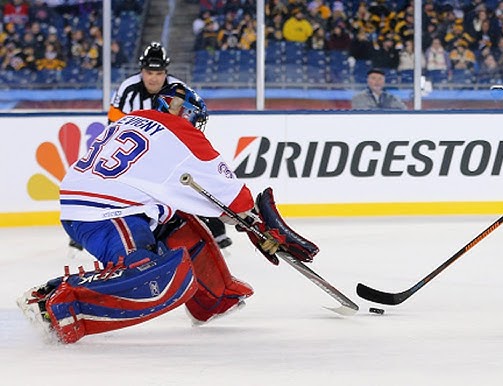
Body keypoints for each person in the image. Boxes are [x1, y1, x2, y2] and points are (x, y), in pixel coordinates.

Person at [17, 83, 319, 344]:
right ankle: (57, 304)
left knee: (178, 224)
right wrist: (262, 226)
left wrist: (245, 222)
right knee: (157, 276)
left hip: (98, 200)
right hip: (106, 211)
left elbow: (184, 193)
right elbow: (236, 200)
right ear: (187, 113)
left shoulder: (133, 119)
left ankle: (215, 297)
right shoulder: (184, 134)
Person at [97, 41, 232, 251]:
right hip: (135, 155)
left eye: (159, 73)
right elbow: (112, 128)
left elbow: (189, 128)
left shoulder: (178, 91)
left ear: (165, 72)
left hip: (167, 154)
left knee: (190, 183)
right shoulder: (127, 90)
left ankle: (214, 228)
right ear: (141, 71)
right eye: (149, 72)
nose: (153, 77)